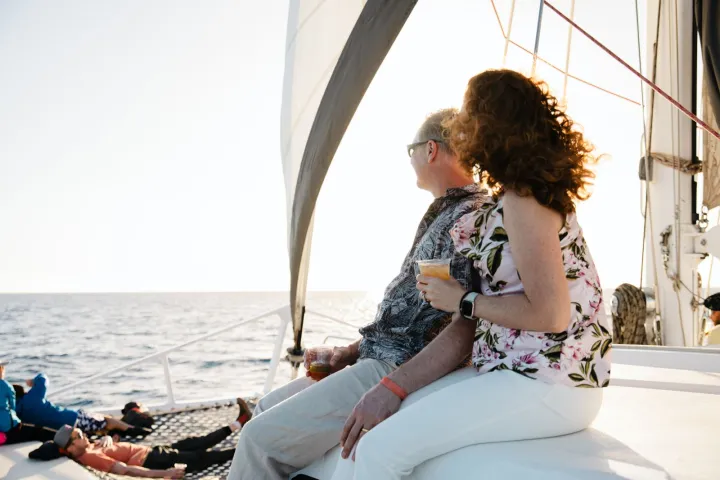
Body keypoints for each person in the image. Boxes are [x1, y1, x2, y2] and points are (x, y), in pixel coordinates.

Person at [329, 69, 612, 479]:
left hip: (552, 384)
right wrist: (393, 387)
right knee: (375, 434)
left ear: (490, 122)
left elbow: (551, 314)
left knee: (378, 450)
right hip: (515, 373)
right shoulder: (512, 198)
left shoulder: (524, 200)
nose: (459, 123)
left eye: (468, 111)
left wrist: (463, 299)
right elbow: (487, 314)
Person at [228, 109, 488, 479]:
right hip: (375, 356)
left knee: (258, 440)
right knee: (264, 409)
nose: (411, 159)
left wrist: (392, 387)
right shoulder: (447, 212)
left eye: (411, 150)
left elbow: (461, 325)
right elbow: (412, 314)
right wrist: (348, 353)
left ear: (430, 150)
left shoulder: (470, 217)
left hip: (394, 367)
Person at [50, 399, 252, 478]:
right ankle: (248, 449)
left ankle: (239, 423)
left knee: (194, 443)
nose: (84, 434)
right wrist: (166, 473)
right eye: (79, 435)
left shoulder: (87, 448)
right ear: (71, 446)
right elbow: (127, 469)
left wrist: (110, 440)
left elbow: (108, 447)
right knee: (202, 456)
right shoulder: (90, 456)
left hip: (153, 451)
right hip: (154, 460)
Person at [15, 372, 148, 436]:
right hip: (74, 419)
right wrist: (33, 381)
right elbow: (43, 379)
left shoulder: (16, 412)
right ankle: (134, 430)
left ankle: (119, 432)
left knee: (100, 422)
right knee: (108, 420)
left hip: (63, 433)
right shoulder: (33, 397)